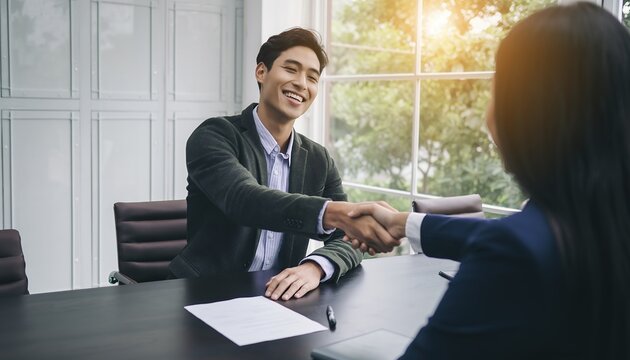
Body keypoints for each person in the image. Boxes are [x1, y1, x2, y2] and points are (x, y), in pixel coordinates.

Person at [348, 3, 630, 359]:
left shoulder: (514, 254)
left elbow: (515, 246)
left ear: (527, 111)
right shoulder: (599, 221)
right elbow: (523, 237)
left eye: (495, 90)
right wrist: (405, 222)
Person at [169, 28, 398, 301]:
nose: (302, 83)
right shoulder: (214, 135)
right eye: (291, 69)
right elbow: (244, 199)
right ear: (261, 73)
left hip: (276, 299)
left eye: (312, 77)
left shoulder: (318, 159)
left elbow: (347, 239)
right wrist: (335, 213)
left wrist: (315, 267)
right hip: (203, 295)